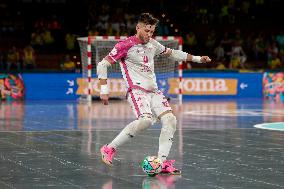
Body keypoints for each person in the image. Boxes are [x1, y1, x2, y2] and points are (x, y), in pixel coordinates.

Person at [98, 13, 211, 175]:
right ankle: (109, 148)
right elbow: (102, 65)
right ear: (138, 28)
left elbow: (173, 53)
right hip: (136, 90)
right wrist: (104, 90)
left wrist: (199, 59)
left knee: (171, 120)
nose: (149, 35)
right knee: (146, 121)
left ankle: (162, 162)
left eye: (152, 31)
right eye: (146, 31)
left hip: (154, 91)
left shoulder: (153, 44)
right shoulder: (125, 45)